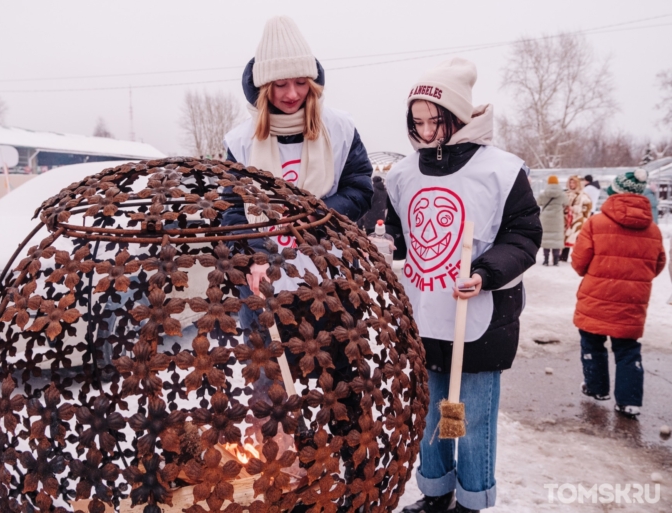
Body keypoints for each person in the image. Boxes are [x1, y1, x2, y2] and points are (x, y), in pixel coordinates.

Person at [385, 58, 541, 513]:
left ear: (458, 117)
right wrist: (384, 242)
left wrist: (486, 272)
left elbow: (524, 235)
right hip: (423, 314)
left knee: (467, 417)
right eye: (418, 122)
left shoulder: (502, 169)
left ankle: (472, 500)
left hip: (479, 320)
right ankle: (435, 492)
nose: (427, 131)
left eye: (437, 120)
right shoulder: (402, 175)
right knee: (431, 413)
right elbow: (399, 237)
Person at [223, 15, 373, 294]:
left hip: (330, 273)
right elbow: (233, 210)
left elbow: (360, 189)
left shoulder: (340, 128)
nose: (292, 94)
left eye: (301, 82)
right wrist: (252, 256)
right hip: (266, 280)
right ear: (265, 87)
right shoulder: (241, 141)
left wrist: (319, 215)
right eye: (280, 85)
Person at [572, 169, 665, 418]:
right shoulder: (653, 230)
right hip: (633, 300)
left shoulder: (596, 223)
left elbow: (579, 262)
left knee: (592, 341)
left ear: (615, 192)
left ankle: (596, 387)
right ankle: (629, 401)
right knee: (627, 349)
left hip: (596, 296)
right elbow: (658, 265)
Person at [537, 175, 568, 266]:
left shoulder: (544, 194)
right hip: (557, 218)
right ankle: (556, 260)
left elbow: (538, 202)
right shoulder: (562, 194)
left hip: (545, 218)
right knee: (556, 239)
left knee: (546, 238)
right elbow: (566, 203)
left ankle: (546, 260)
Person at [559, 175, 592, 263]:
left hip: (577, 220)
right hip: (566, 219)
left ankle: (577, 257)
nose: (571, 184)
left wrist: (575, 209)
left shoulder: (583, 195)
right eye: (570, 182)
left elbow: (587, 208)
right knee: (565, 238)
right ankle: (563, 257)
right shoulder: (565, 194)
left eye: (573, 182)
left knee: (576, 240)